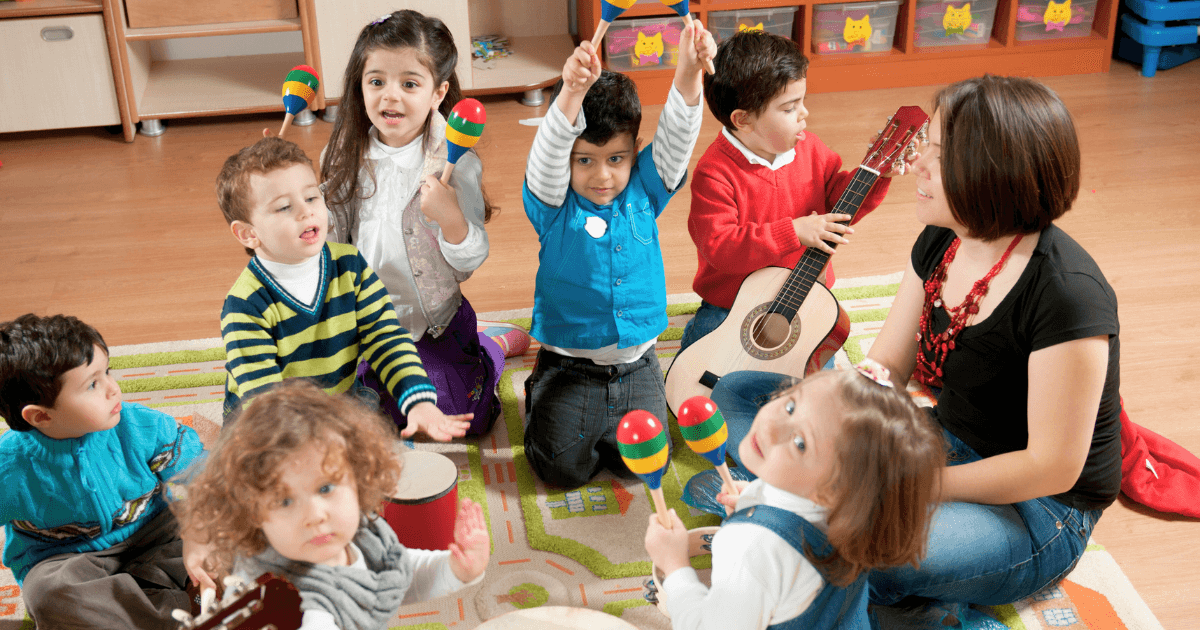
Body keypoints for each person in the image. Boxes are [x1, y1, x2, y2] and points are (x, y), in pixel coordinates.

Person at [861, 75, 1123, 612]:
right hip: (949, 440)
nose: (915, 166)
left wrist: (921, 486)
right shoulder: (943, 236)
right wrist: (836, 416)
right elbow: (889, 362)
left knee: (876, 556)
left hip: (1040, 508)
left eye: (935, 154)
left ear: (987, 172)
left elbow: (1051, 468)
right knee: (751, 395)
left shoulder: (1068, 295)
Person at [521, 23, 717, 488]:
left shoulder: (646, 190)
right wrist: (570, 93)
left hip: (638, 364)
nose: (602, 175)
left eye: (616, 159)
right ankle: (541, 395)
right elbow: (547, 156)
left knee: (646, 465)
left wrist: (689, 71)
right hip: (568, 367)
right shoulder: (553, 205)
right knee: (559, 469)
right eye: (584, 160)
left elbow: (676, 135)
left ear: (634, 153)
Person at [321, 9, 523, 436]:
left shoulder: (455, 159)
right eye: (376, 81)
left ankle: (490, 346)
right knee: (354, 417)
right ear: (360, 87)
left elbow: (467, 261)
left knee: (460, 418)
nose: (390, 97)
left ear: (438, 92)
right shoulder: (342, 156)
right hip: (367, 321)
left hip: (433, 323)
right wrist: (294, 194)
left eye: (409, 84)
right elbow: (330, 240)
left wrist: (451, 217)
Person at [644, 363, 943, 629]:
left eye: (800, 443)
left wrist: (675, 567)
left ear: (832, 491)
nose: (772, 427)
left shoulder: (749, 548)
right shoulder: (859, 514)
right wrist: (756, 499)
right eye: (790, 407)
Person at [174, 379, 489, 630]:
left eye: (326, 487)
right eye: (285, 500)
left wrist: (457, 568)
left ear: (358, 477)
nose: (314, 515)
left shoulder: (366, 537)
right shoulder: (282, 598)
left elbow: (401, 574)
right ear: (253, 512)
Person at [216, 136, 469, 441]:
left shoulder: (349, 266)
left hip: (338, 400)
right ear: (248, 234)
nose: (306, 212)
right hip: (266, 421)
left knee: (386, 458)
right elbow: (264, 400)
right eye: (284, 207)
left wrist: (419, 402)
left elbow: (385, 338)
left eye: (312, 198)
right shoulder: (245, 305)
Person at [680, 30, 902, 352]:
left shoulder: (810, 149)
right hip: (733, 300)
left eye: (803, 101)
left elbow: (840, 205)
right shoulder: (714, 174)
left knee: (818, 370)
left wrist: (877, 175)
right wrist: (793, 232)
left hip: (805, 290)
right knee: (701, 365)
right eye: (789, 108)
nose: (804, 114)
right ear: (743, 120)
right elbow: (721, 247)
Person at [0, 314, 205, 629]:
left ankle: (159, 601)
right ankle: (180, 607)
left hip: (159, 529)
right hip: (70, 558)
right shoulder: (10, 465)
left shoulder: (140, 425)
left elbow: (190, 475)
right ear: (41, 416)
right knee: (47, 594)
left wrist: (196, 535)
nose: (113, 389)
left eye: (107, 372)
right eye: (93, 384)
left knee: (234, 527)